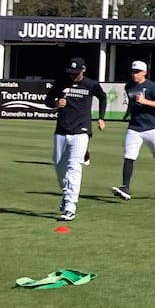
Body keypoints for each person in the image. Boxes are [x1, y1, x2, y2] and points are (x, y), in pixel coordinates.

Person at [48, 57, 106, 221]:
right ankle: (66, 195)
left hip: (81, 131)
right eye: (71, 73)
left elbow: (103, 97)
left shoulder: (91, 85)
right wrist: (56, 103)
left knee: (74, 167)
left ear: (83, 70)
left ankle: (70, 207)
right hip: (61, 130)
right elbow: (48, 100)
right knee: (60, 169)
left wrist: (101, 118)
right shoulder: (60, 82)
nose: (73, 76)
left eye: (76, 72)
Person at [114, 60, 155, 200]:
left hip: (152, 127)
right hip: (134, 127)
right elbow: (131, 102)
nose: (134, 74)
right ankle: (125, 188)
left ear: (144, 72)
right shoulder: (129, 86)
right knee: (129, 156)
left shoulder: (152, 86)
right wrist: (127, 113)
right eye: (133, 71)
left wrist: (145, 101)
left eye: (137, 72)